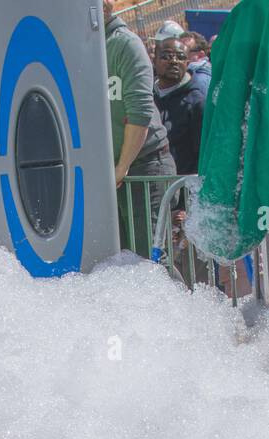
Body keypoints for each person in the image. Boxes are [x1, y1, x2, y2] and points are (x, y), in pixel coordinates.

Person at [103, 0, 176, 254]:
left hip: (144, 165)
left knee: (150, 263)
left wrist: (121, 167)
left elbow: (140, 112)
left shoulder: (125, 43)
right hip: (112, 172)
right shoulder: (86, 47)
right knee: (120, 264)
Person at [153, 35, 206, 177]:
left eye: (181, 57)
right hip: (148, 186)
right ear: (154, 61)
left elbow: (202, 153)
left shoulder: (197, 103)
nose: (174, 61)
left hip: (182, 188)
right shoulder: (143, 96)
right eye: (166, 56)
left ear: (187, 63)